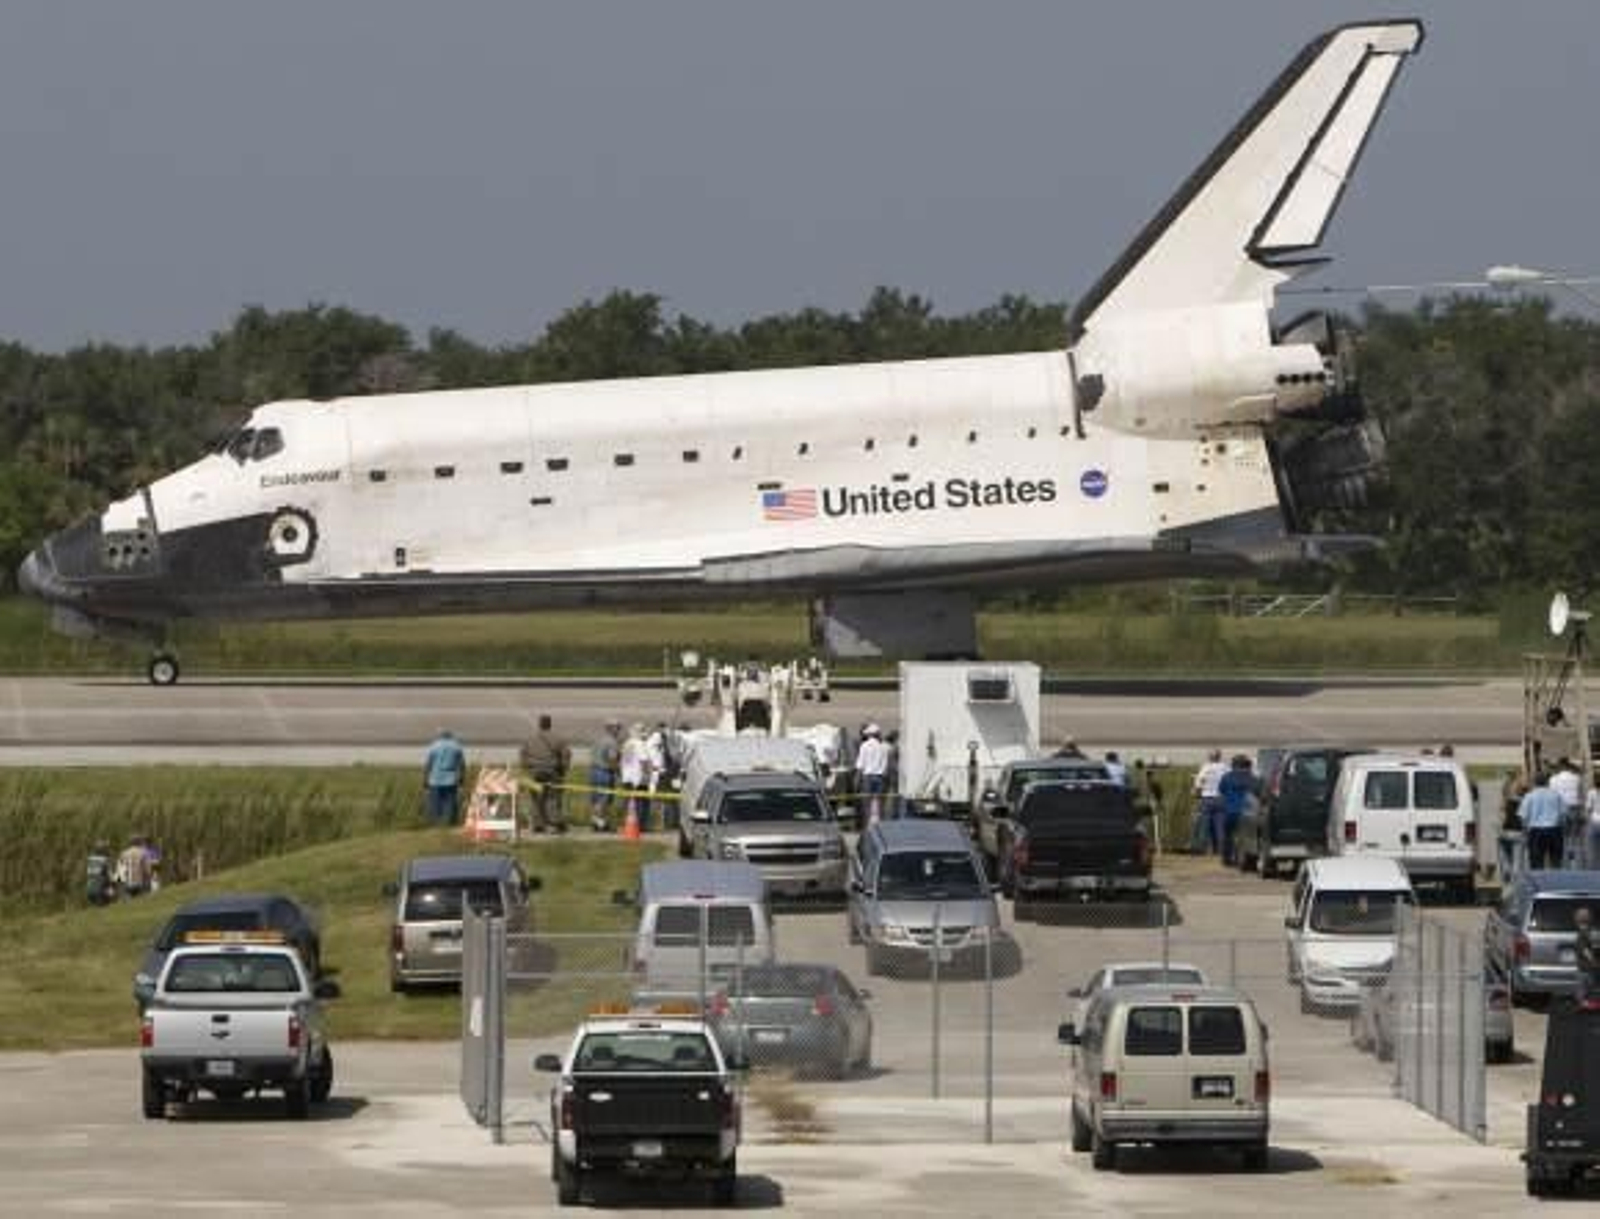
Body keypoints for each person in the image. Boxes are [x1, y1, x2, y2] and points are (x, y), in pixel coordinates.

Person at [519, 714, 571, 834]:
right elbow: (566, 755)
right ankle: (553, 823)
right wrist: (563, 769)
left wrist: (527, 768)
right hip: (551, 773)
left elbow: (523, 755)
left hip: (534, 773)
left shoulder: (529, 739)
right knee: (552, 798)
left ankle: (538, 824)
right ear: (550, 724)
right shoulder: (558, 738)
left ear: (539, 724)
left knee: (535, 799)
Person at [1518, 771, 1567, 871]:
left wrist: (1525, 831)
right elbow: (1563, 814)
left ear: (1534, 782)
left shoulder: (1529, 796)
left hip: (1536, 831)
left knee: (1536, 862)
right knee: (1556, 861)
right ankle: (1555, 883)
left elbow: (1523, 817)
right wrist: (1562, 827)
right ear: (1547, 782)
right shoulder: (1556, 795)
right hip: (1554, 830)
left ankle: (1539, 884)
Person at [422, 728, 466, 827]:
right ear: (450, 736)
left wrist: (425, 782)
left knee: (435, 804)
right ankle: (449, 824)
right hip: (451, 779)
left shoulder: (434, 746)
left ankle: (436, 824)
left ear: (439, 736)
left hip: (435, 779)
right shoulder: (456, 747)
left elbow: (428, 765)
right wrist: (461, 780)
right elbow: (462, 765)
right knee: (450, 803)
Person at [1217, 755, 1254, 867]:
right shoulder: (1252, 778)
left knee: (1228, 837)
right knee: (1246, 837)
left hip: (1230, 811)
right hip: (1246, 812)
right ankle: (1244, 859)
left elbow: (1221, 790)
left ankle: (1226, 859)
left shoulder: (1226, 777)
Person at [1191, 749, 1228, 855]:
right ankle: (1221, 851)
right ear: (1219, 757)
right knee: (1220, 827)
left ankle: (1202, 849)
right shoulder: (1225, 768)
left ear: (1210, 757)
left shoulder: (1205, 768)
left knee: (1204, 827)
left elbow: (1198, 785)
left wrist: (1197, 794)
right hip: (1221, 799)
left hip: (1207, 799)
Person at [589, 720, 623, 831]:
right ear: (611, 728)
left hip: (593, 771)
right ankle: (601, 823)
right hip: (604, 773)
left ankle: (596, 821)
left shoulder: (598, 739)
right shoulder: (612, 742)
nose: (619, 730)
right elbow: (612, 759)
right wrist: (619, 773)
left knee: (595, 799)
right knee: (604, 799)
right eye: (617, 728)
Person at [855, 724, 891, 824]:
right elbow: (887, 766)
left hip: (868, 777)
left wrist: (856, 781)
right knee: (880, 803)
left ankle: (867, 825)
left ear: (869, 735)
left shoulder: (864, 746)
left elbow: (860, 765)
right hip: (880, 778)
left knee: (866, 804)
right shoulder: (885, 747)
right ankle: (880, 823)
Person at [619, 723, 651, 831]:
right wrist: (648, 775)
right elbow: (644, 761)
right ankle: (640, 826)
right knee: (641, 803)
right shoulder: (640, 744)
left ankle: (628, 824)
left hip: (626, 777)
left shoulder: (627, 743)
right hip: (638, 778)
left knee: (628, 802)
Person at [114, 835, 154, 899]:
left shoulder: (123, 854)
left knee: (130, 904)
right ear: (139, 843)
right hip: (140, 883)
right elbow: (147, 870)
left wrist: (120, 886)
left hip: (127, 883)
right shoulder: (143, 853)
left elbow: (120, 872)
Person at [1573, 906, 1599, 1003]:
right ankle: (1583, 1005)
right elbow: (1585, 951)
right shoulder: (1584, 934)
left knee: (1586, 989)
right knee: (1585, 989)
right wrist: (1594, 961)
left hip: (1585, 968)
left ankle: (1584, 1004)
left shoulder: (1585, 933)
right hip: (1586, 968)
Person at [86, 841, 116, 906]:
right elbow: (111, 876)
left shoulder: (90, 859)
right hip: (100, 891)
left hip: (89, 889)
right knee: (112, 888)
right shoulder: (105, 860)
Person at [1585, 769, 1600, 870]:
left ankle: (1594, 869)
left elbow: (1588, 809)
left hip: (1595, 821)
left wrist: (1588, 820)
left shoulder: (1591, 792)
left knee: (1593, 848)